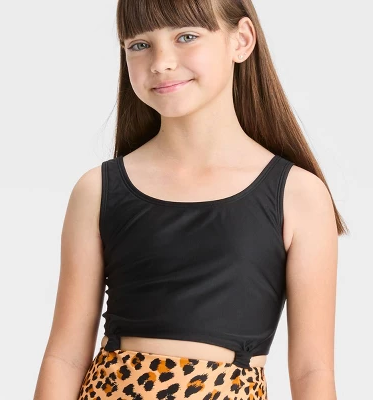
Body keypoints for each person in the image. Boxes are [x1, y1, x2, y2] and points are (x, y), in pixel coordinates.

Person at [34, 1, 348, 399]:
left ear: (241, 40)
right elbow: (64, 357)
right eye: (139, 45)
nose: (161, 62)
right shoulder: (98, 190)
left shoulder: (298, 195)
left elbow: (312, 372)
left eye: (186, 36)